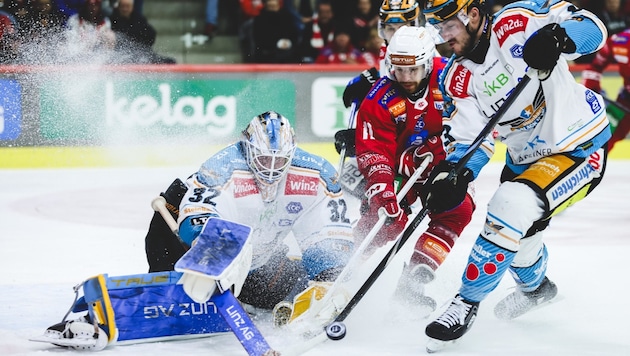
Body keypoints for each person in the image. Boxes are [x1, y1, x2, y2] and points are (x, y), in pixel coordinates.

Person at [39, 111, 355, 350]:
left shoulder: (315, 174)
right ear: (247, 150)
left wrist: (327, 279)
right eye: (262, 158)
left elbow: (329, 235)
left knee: (313, 282)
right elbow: (194, 224)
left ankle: (270, 295)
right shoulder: (222, 167)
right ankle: (134, 305)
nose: (270, 169)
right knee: (187, 289)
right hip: (181, 241)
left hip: (257, 258)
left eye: (279, 160)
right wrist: (220, 257)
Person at [419, 0, 610, 348]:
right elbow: (471, 141)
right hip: (527, 161)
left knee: (509, 205)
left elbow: (594, 27)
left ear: (472, 14)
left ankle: (465, 302)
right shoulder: (456, 78)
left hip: (577, 144)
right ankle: (537, 290)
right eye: (437, 28)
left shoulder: (520, 20)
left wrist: (560, 39)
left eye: (447, 25)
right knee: (517, 240)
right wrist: (456, 174)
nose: (442, 36)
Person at [353, 25, 475, 311]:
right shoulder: (379, 98)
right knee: (385, 219)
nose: (406, 78)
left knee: (458, 208)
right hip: (397, 168)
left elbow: (475, 123)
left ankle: (413, 282)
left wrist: (445, 150)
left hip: (440, 165)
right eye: (399, 70)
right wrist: (382, 190)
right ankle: (339, 264)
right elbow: (374, 150)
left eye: (414, 70)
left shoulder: (452, 79)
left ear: (429, 63)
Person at [582, 27, 630, 151]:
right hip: (626, 100)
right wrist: (592, 87)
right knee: (605, 137)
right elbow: (595, 66)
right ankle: (591, 167)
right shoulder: (620, 41)